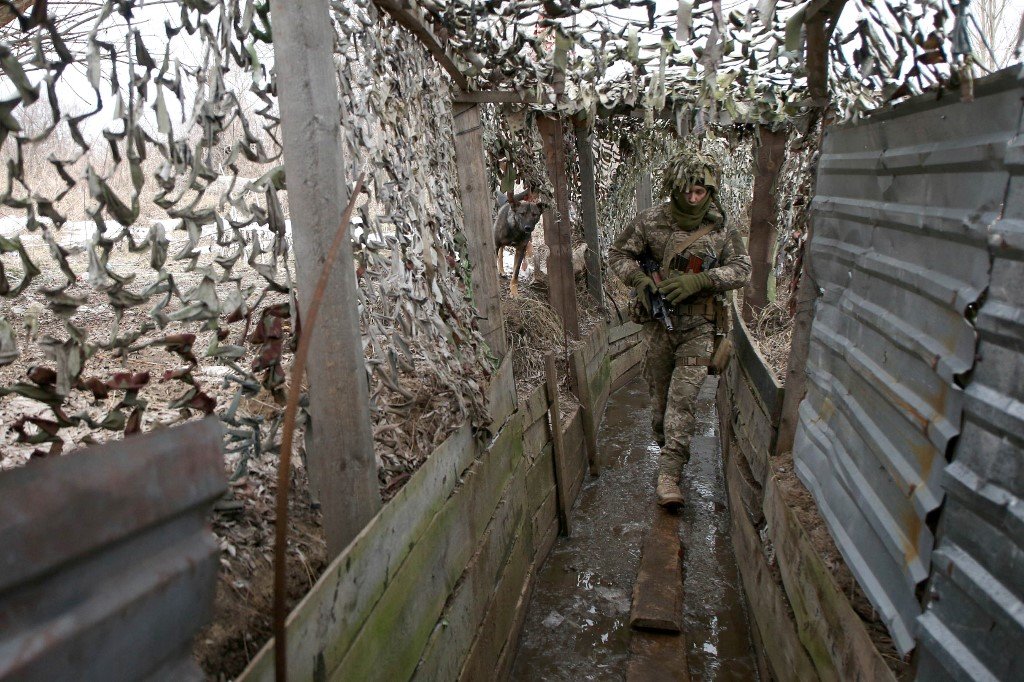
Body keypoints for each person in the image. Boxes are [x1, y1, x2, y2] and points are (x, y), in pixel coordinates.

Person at [608, 149, 751, 509]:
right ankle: (668, 449)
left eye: (700, 191)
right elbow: (617, 254)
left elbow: (742, 269)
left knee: (683, 401)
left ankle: (669, 475)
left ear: (711, 191)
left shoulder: (720, 228)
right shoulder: (650, 221)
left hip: (700, 326)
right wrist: (639, 279)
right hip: (658, 327)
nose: (693, 198)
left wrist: (702, 280)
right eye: (686, 190)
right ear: (674, 187)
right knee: (660, 406)